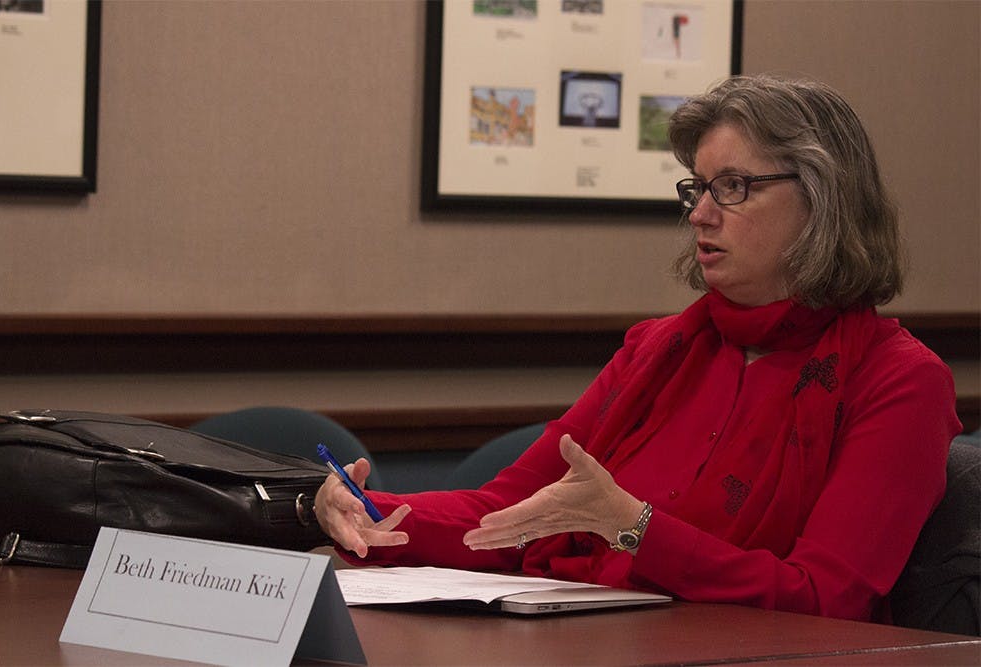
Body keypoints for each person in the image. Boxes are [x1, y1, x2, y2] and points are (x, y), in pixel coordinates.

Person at [314, 74, 961, 622]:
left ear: (823, 197)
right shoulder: (659, 349)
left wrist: (634, 527)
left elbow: (825, 596)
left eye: (732, 186)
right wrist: (366, 511)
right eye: (697, 188)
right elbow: (505, 512)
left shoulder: (899, 380)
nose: (701, 214)